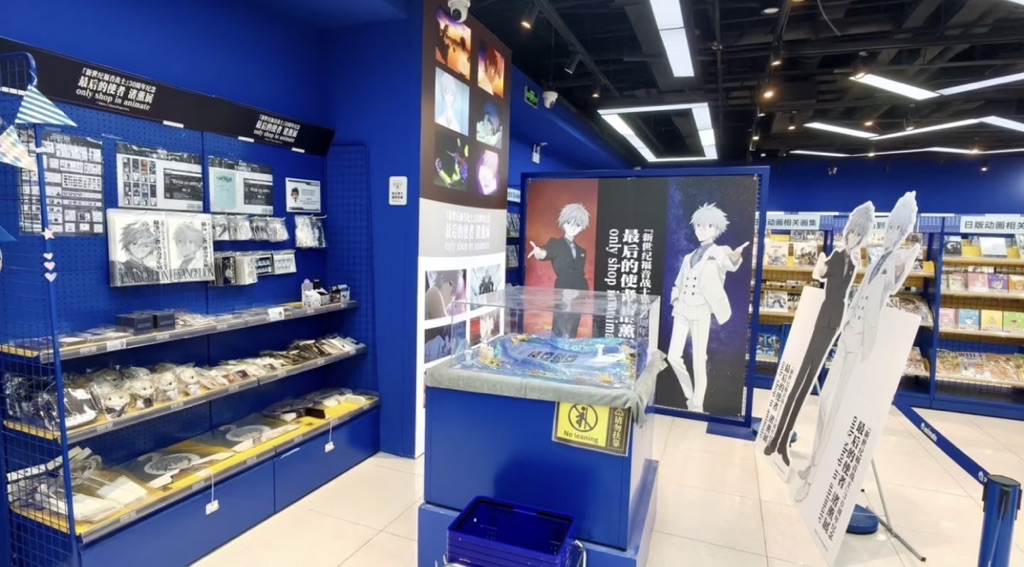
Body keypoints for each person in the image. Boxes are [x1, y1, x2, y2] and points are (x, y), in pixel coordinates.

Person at [795, 192, 919, 501]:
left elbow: (893, 286)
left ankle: (817, 475)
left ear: (904, 232)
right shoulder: (874, 259)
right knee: (826, 402)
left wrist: (910, 255)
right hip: (848, 333)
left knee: (838, 407)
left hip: (861, 342)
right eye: (890, 227)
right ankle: (815, 463)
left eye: (899, 229)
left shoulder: (894, 262)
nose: (892, 234)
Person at [762, 202, 875, 466]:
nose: (854, 237)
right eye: (853, 232)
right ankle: (776, 439)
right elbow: (819, 273)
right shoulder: (837, 255)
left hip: (835, 321)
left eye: (859, 234)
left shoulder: (853, 261)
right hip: (823, 318)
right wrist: (822, 261)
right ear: (847, 231)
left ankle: (781, 441)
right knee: (800, 378)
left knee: (806, 383)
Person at [666, 203, 749, 413]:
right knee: (673, 356)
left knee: (698, 359)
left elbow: (730, 264)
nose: (702, 229)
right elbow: (678, 282)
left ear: (717, 229)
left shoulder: (720, 251)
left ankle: (697, 405)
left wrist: (735, 257)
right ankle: (689, 395)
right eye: (699, 225)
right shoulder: (688, 257)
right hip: (682, 309)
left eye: (708, 225)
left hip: (701, 310)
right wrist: (675, 300)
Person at [528, 203, 591, 338]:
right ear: (563, 223)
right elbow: (546, 252)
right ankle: (556, 346)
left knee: (574, 323)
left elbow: (580, 273)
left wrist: (584, 292)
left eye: (577, 225)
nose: (573, 227)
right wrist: (539, 252)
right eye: (569, 223)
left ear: (581, 227)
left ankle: (570, 345)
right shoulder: (556, 244)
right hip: (563, 291)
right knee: (560, 322)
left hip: (579, 292)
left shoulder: (581, 251)